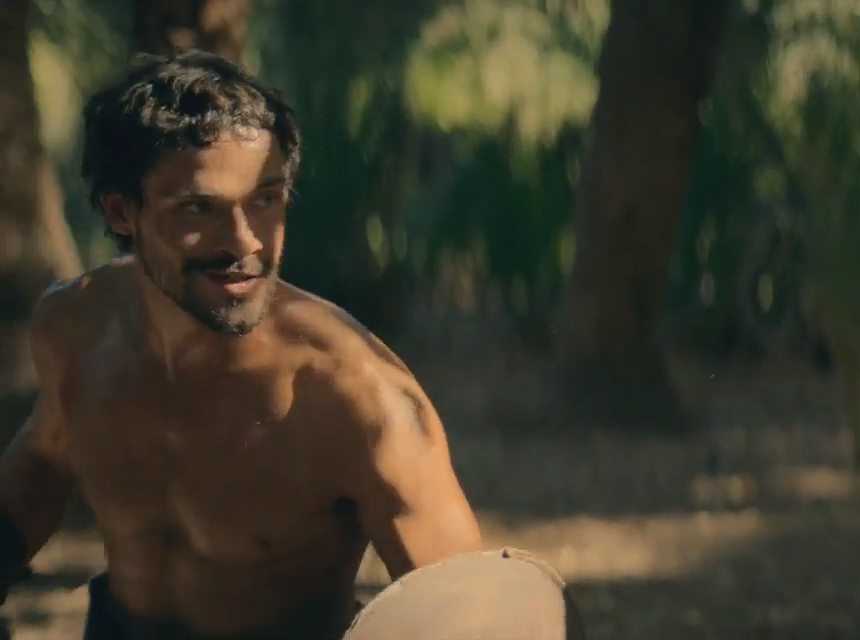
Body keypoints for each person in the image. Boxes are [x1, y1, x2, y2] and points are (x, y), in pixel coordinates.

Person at [0, 50, 577, 639]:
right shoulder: (76, 328)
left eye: (265, 199)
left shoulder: (357, 399)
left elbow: (472, 615)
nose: (244, 241)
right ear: (122, 211)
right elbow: (44, 461)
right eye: (199, 208)